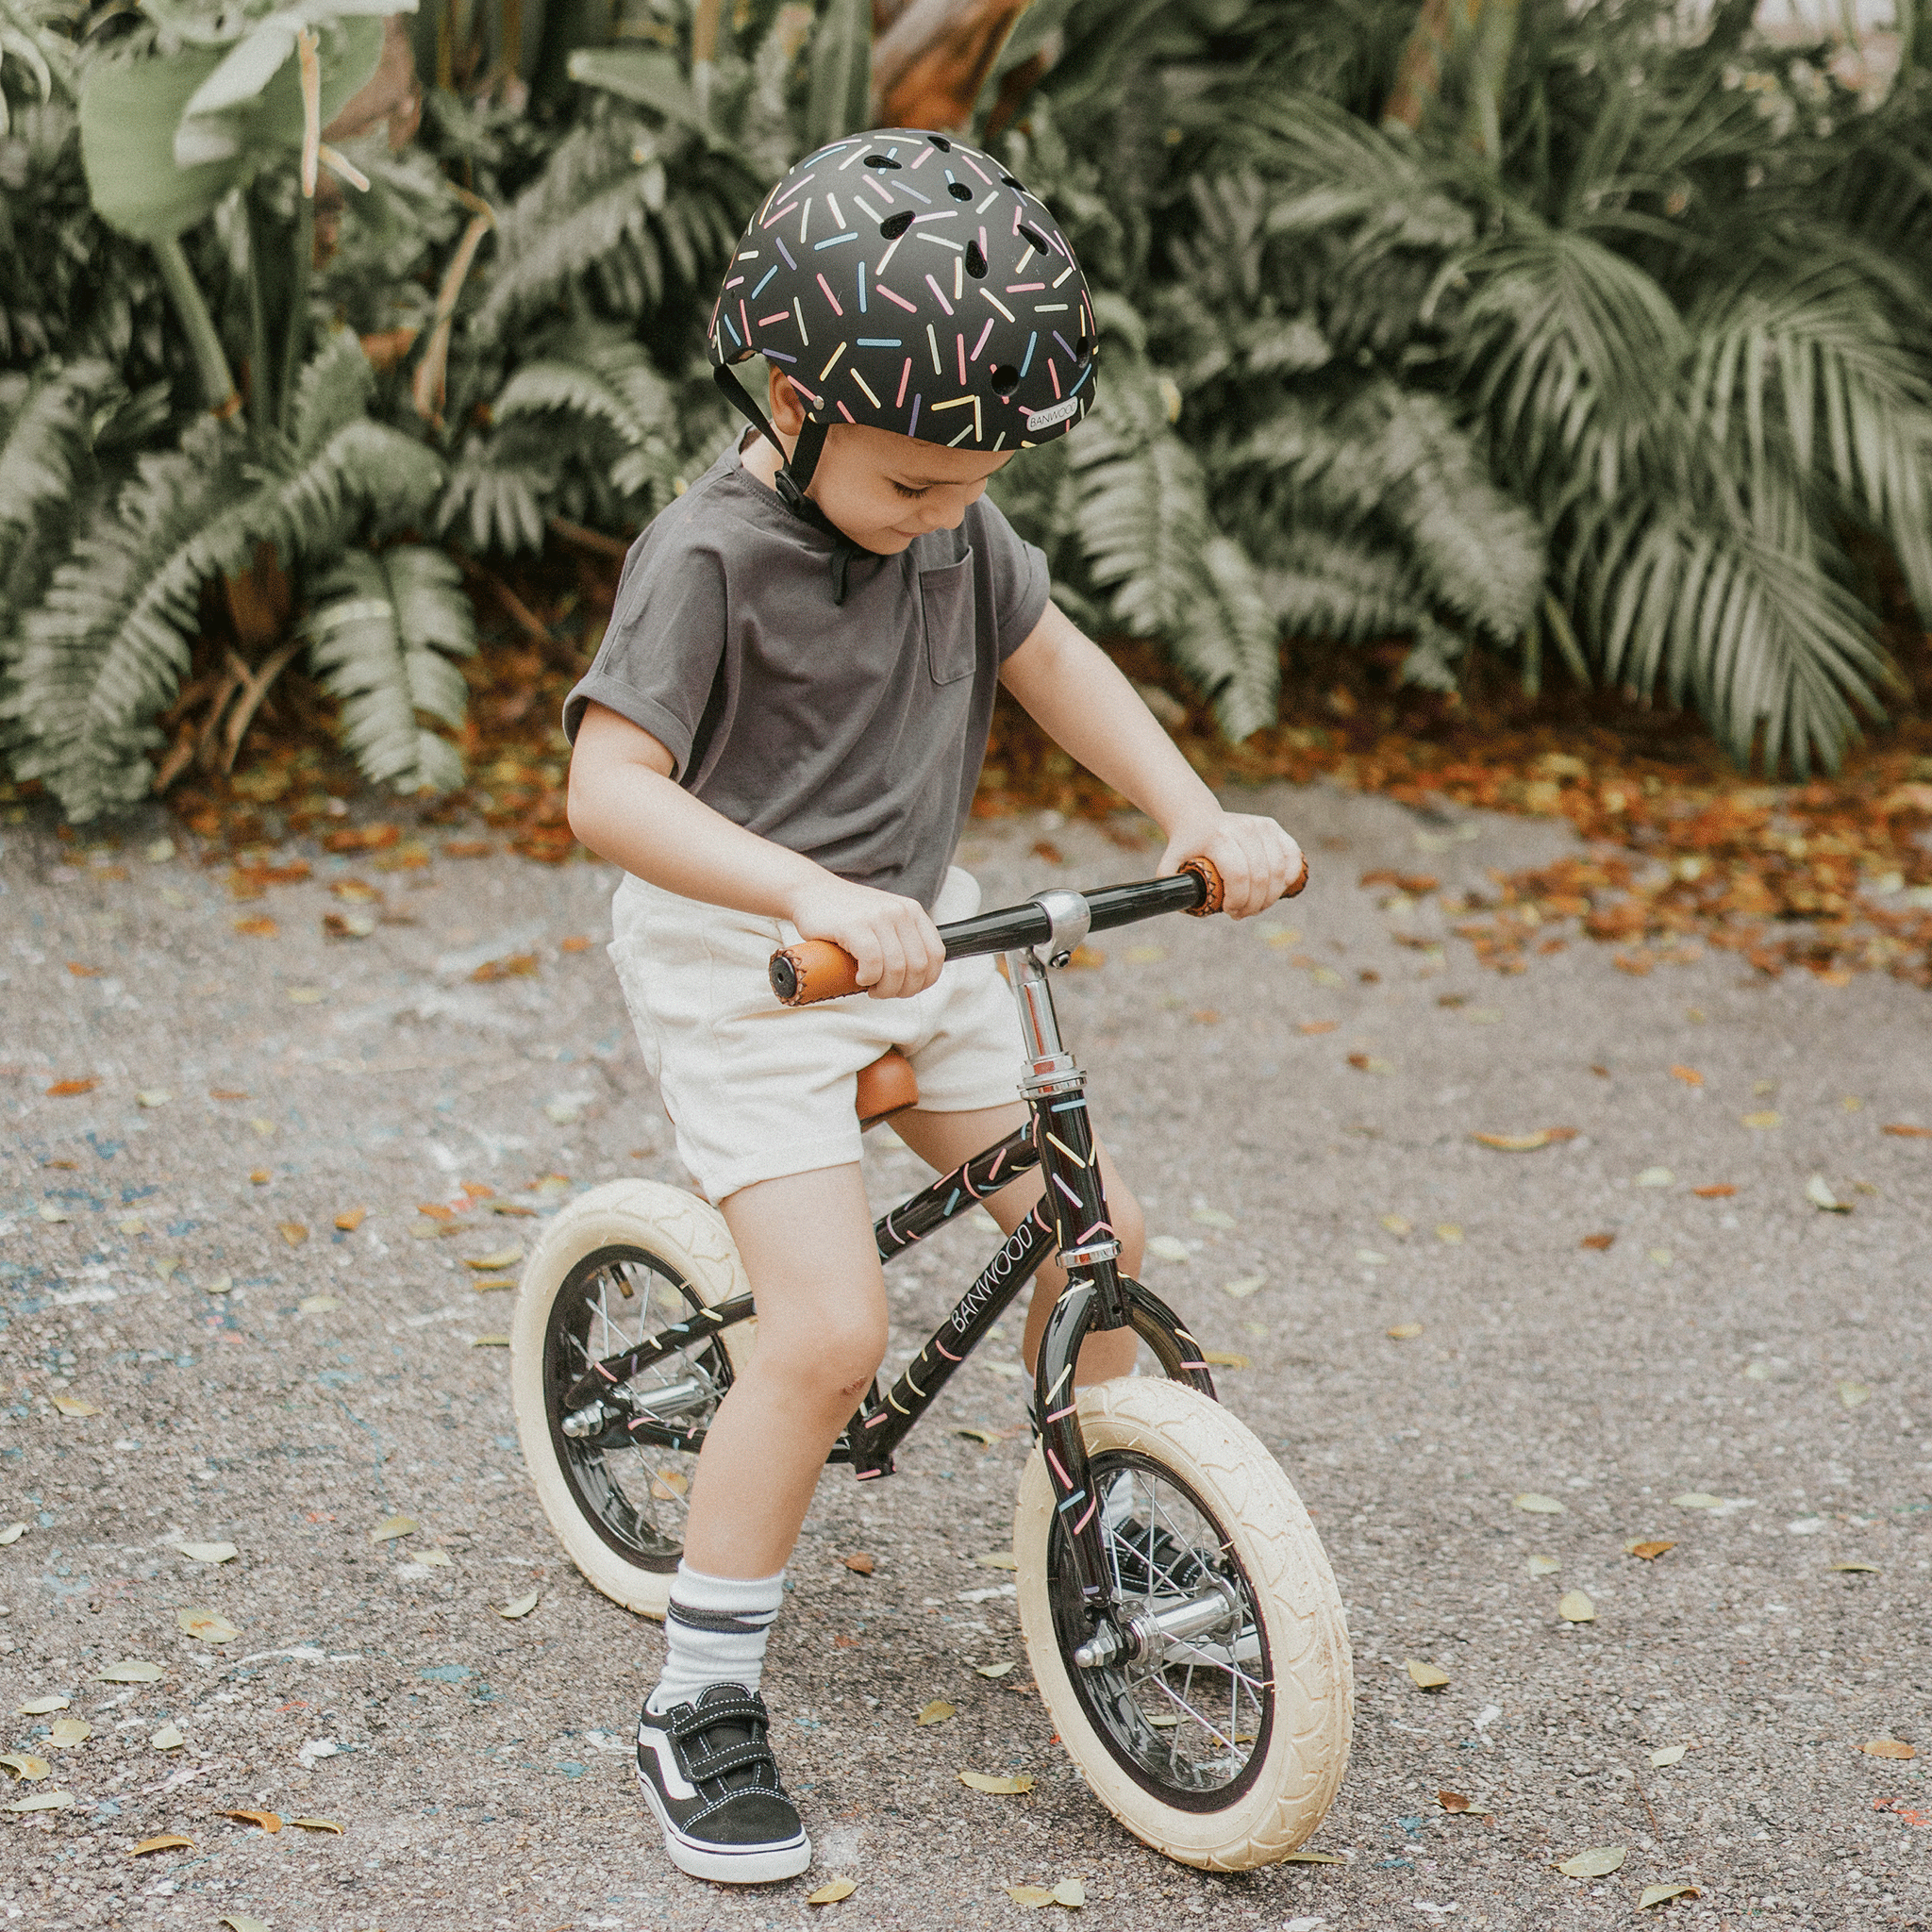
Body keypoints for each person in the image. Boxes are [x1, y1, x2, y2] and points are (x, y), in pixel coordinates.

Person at [562, 126, 1305, 1887]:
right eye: (911, 488)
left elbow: (1058, 663)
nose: (947, 518)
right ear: (794, 402)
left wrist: (1191, 817)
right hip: (754, 955)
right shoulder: (705, 557)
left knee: (1094, 1224)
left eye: (973, 486)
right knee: (822, 1335)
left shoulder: (950, 513)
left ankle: (1108, 1549)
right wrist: (805, 889)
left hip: (923, 940)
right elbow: (608, 793)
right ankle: (700, 1692)